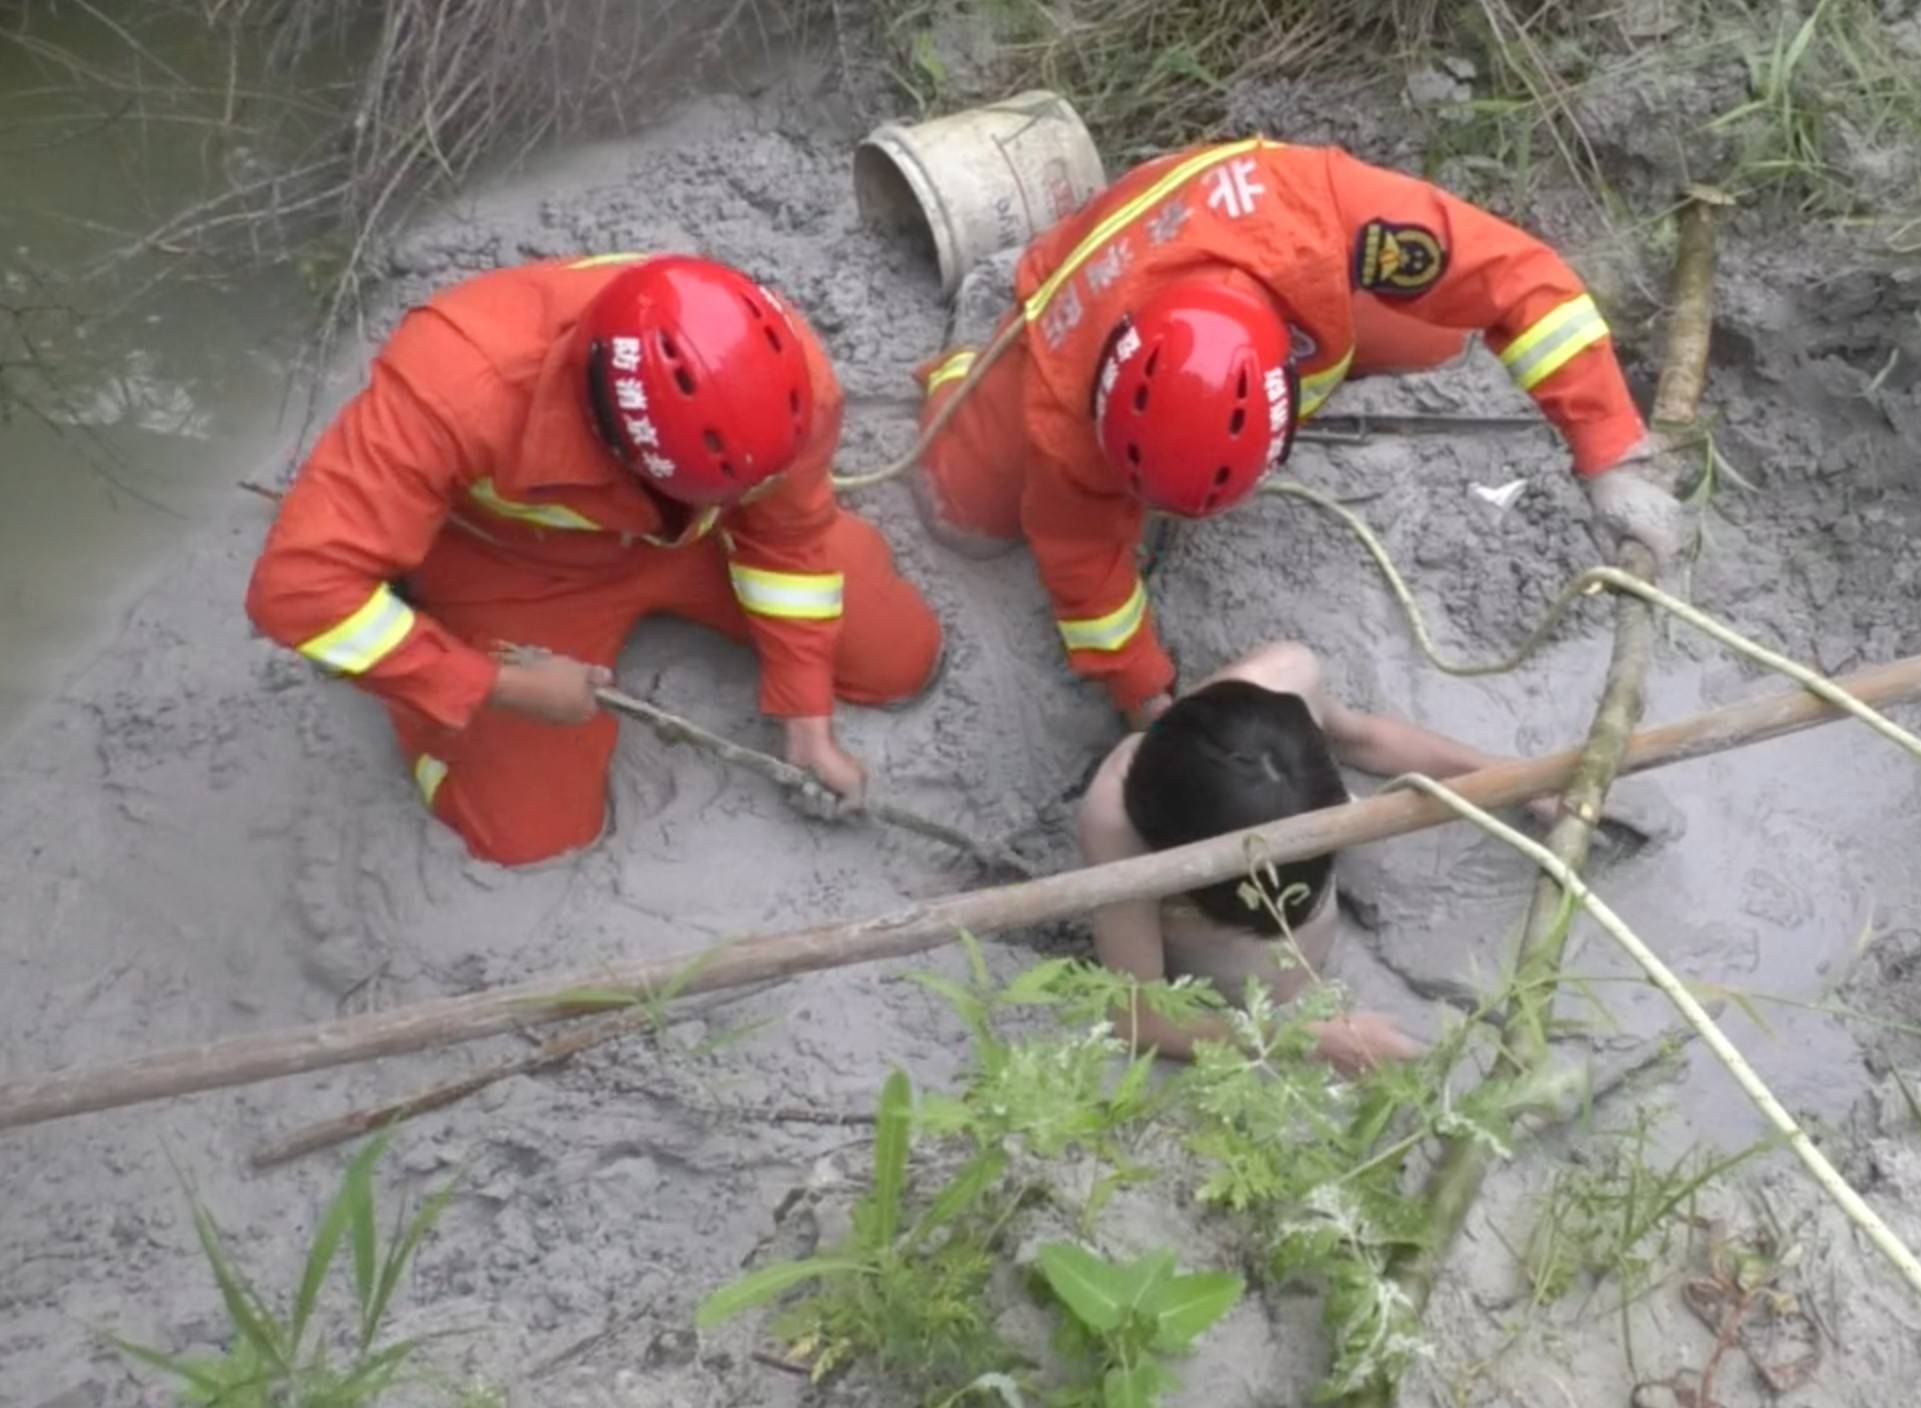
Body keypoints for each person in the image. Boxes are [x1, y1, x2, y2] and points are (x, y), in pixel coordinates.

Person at [910, 138, 1688, 730]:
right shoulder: (1061, 407)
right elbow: (1083, 568)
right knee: (963, 511)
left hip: (1240, 239)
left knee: (1434, 336)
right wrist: (1143, 690)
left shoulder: (1323, 213)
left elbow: (1519, 281)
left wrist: (1611, 451)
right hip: (1063, 294)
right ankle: (971, 349)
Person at [245, 254, 941, 865]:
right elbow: (297, 591)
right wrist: (493, 685)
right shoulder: (458, 383)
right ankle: (429, 704)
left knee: (901, 658)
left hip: (697, 536)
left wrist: (806, 719)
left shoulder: (782, 377)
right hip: (517, 569)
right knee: (524, 838)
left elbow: (783, 538)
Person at [1078, 640, 1556, 1077]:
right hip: (1241, 989)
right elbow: (1138, 1020)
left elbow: (1364, 740)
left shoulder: (1287, 681)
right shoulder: (1115, 827)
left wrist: (1509, 777)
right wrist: (1303, 1040)